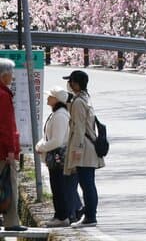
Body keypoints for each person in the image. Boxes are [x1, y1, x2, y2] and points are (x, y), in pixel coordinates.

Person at [63, 70, 104, 228]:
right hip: (89, 147)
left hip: (84, 149)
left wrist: (76, 151)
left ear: (75, 83)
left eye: (71, 81)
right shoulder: (85, 98)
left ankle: (90, 217)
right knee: (89, 184)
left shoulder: (79, 102)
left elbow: (79, 128)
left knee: (86, 185)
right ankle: (89, 214)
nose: (69, 84)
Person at [35, 86, 74, 227]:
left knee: (59, 187)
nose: (48, 98)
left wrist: (41, 147)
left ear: (57, 100)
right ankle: (59, 215)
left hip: (58, 158)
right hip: (55, 157)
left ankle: (62, 216)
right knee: (56, 186)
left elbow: (57, 140)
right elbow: (48, 136)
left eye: (50, 96)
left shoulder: (60, 115)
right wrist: (41, 144)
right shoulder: (56, 114)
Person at [0, 58, 26, 232]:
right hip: (2, 151)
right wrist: (10, 150)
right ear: (4, 74)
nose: (13, 77)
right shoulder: (3, 95)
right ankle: (11, 222)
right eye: (11, 73)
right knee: (9, 184)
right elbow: (6, 126)